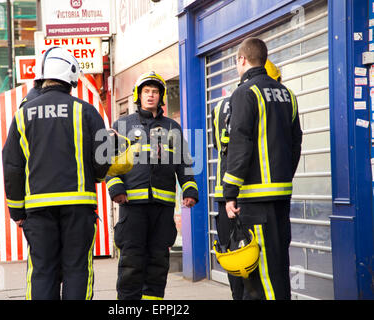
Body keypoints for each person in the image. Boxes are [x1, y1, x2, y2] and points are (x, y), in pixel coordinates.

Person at [2, 46, 111, 300]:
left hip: (38, 211)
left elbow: (12, 167)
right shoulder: (86, 111)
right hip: (78, 208)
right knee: (77, 270)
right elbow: (102, 160)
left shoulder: (21, 116)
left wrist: (17, 211)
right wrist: (95, 175)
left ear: (41, 76)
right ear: (71, 76)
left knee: (42, 272)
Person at [106, 71, 199, 300]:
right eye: (146, 91)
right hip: (132, 206)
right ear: (138, 95)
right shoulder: (122, 124)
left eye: (155, 92)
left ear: (161, 96)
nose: (151, 95)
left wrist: (189, 189)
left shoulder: (172, 127)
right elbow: (108, 162)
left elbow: (184, 162)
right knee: (131, 263)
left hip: (162, 208)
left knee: (158, 263)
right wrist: (116, 188)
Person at [223, 37, 302, 300]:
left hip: (255, 199)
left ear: (242, 60)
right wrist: (283, 178)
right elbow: (295, 143)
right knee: (279, 266)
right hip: (281, 195)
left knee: (263, 274)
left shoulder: (245, 93)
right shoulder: (287, 94)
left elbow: (240, 144)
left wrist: (230, 192)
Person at [212, 58, 284, 300]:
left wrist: (229, 190)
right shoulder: (281, 97)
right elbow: (241, 147)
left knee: (243, 268)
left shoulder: (225, 105)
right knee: (269, 268)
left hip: (232, 197)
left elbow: (225, 149)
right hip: (250, 198)